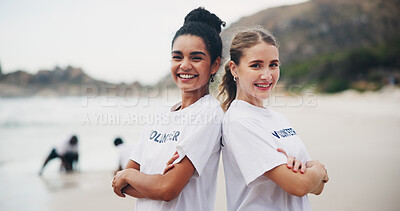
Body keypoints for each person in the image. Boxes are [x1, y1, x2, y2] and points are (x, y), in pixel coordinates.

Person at [112, 7, 225, 211]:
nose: (185, 65)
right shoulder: (161, 115)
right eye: (177, 57)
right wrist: (146, 181)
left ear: (215, 65)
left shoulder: (209, 114)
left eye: (196, 58)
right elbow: (121, 186)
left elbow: (167, 190)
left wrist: (131, 176)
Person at [218, 28, 329, 210]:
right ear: (234, 69)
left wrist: (308, 174)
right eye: (256, 65)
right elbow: (299, 186)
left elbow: (318, 188)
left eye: (273, 64)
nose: (267, 75)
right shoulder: (239, 121)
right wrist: (318, 169)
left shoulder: (278, 119)